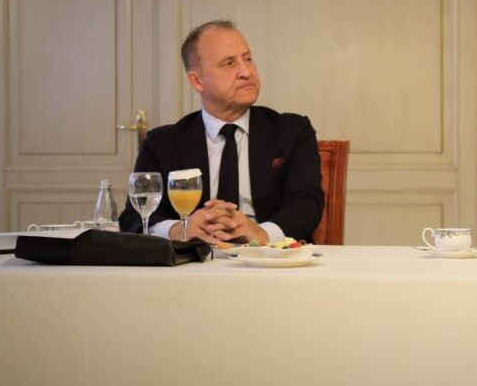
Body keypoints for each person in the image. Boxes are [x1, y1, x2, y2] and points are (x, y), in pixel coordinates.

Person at [119, 20, 324, 244]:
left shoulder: (292, 131)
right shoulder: (162, 143)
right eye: (229, 63)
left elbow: (306, 204)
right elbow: (134, 216)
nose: (246, 72)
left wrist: (261, 233)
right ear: (197, 81)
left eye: (248, 58)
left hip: (268, 257)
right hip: (193, 259)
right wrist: (179, 230)